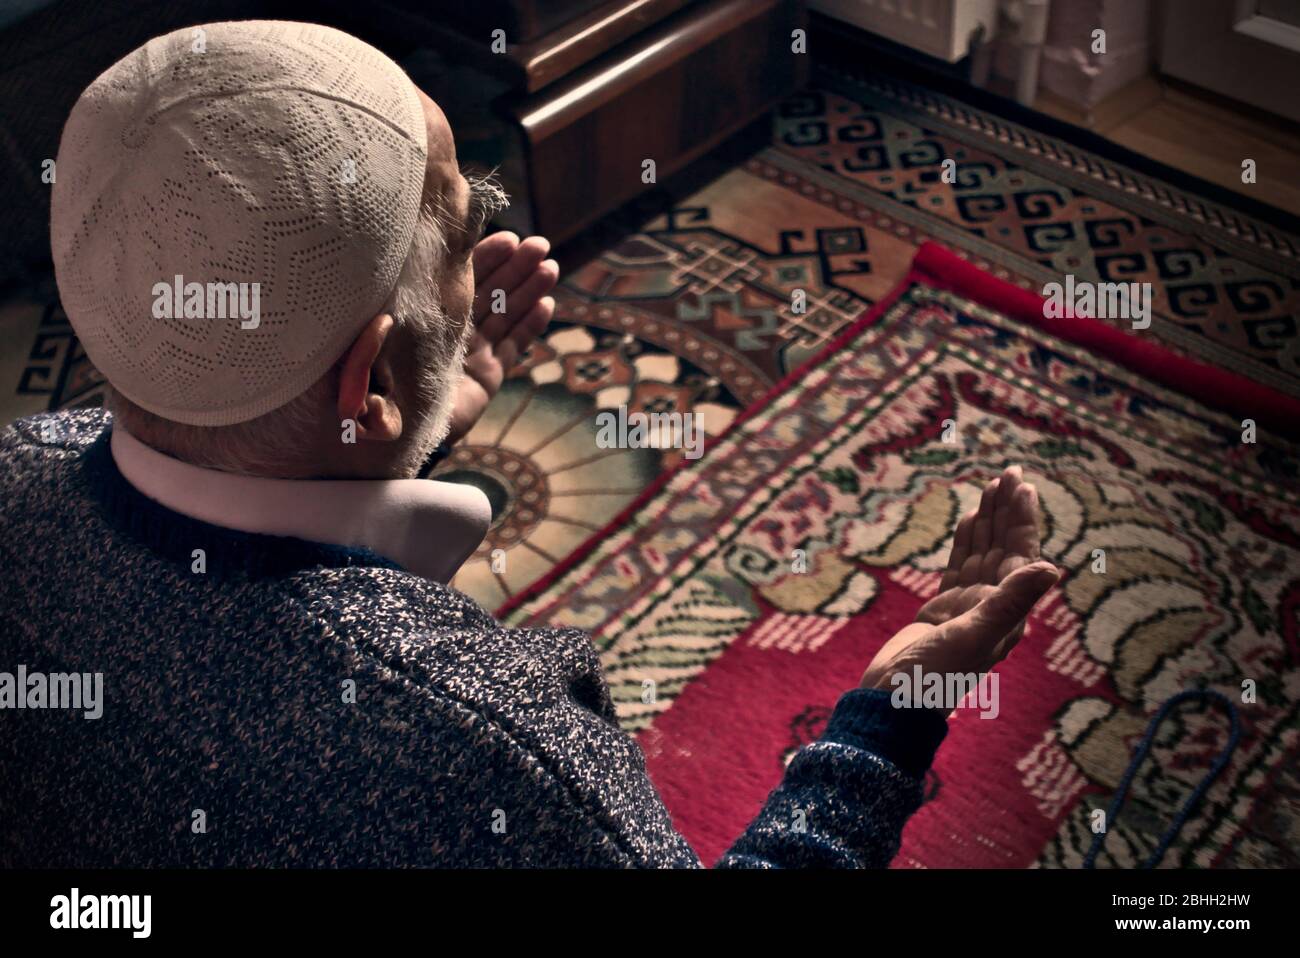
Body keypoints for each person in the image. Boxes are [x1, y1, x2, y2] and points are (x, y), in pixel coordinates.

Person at [0, 20, 1059, 867]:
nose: (489, 243)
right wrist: (886, 718)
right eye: (465, 226)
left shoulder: (20, 463)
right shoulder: (490, 759)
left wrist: (409, 427)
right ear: (362, 381)